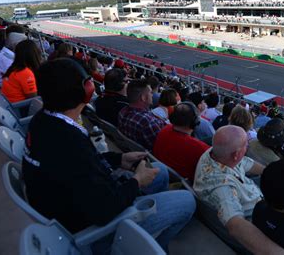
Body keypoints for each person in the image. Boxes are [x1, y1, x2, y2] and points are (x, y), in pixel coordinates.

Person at [22, 58, 195, 251]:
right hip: (97, 230)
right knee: (187, 201)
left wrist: (119, 159)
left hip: (72, 208)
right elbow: (105, 209)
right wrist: (137, 181)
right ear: (86, 90)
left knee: (160, 170)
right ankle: (150, 246)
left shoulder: (43, 121)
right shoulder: (69, 140)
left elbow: (82, 167)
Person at [193, 125, 284, 254]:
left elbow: (246, 163)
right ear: (236, 154)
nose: (248, 146)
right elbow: (235, 225)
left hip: (254, 199)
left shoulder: (217, 153)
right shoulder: (223, 189)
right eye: (246, 145)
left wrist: (272, 173)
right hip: (257, 222)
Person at [153, 102, 210, 180]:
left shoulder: (164, 129)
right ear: (195, 122)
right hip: (184, 182)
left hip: (165, 173)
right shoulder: (200, 148)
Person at [118, 79, 167, 151]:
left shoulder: (122, 111)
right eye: (151, 92)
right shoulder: (148, 122)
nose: (152, 94)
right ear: (143, 97)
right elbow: (162, 147)